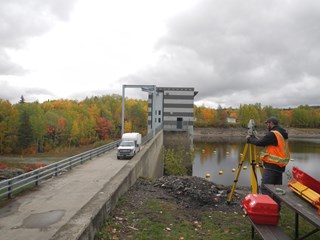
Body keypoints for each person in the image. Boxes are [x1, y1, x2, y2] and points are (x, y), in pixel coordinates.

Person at [246, 117, 290, 197]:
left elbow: (260, 143)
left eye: (267, 124)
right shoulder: (282, 133)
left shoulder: (273, 134)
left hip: (272, 165)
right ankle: (276, 207)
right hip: (280, 166)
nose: (267, 126)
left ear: (271, 123)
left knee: (265, 188)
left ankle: (268, 207)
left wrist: (249, 139)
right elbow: (268, 143)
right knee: (277, 189)